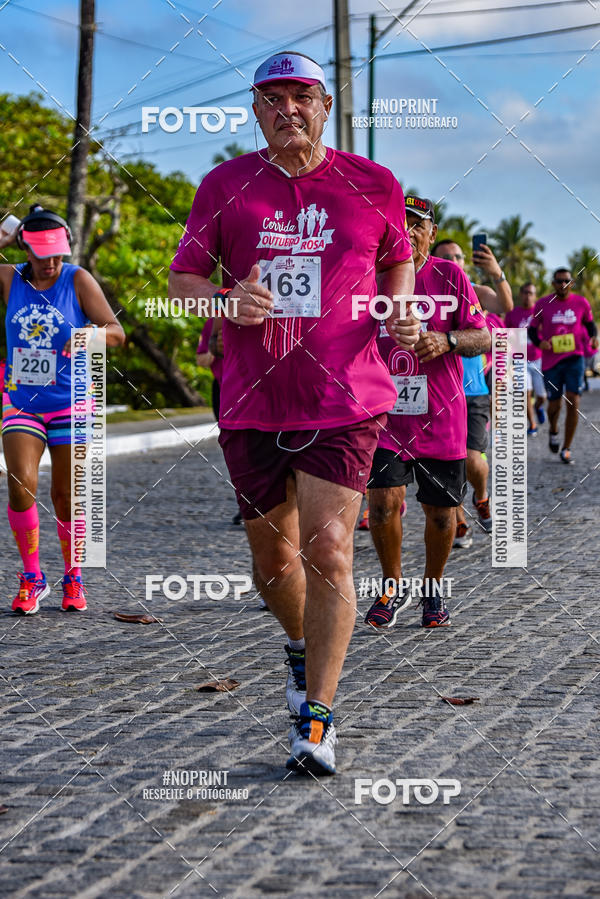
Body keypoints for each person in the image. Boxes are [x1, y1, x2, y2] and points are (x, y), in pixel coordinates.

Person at [169, 51, 417, 775]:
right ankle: (303, 644)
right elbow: (184, 280)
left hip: (346, 396)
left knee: (329, 550)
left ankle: (317, 717)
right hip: (251, 400)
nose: (287, 110)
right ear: (254, 110)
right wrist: (224, 301)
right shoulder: (225, 185)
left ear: (326, 104)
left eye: (300, 96)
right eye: (271, 99)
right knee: (273, 562)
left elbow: (398, 254)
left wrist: (399, 301)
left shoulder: (373, 183)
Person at [364, 196, 490, 629]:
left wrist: (448, 341)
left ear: (431, 234)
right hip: (384, 415)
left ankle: (433, 589)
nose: (408, 232)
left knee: (440, 513)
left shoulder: (449, 275)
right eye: (400, 224)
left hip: (442, 415)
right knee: (381, 506)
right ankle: (391, 586)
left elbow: (482, 337)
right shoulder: (369, 278)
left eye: (417, 225)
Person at [0, 204, 125, 614]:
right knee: (21, 484)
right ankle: (33, 577)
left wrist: (92, 334)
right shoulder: (9, 277)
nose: (52, 263)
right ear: (25, 249)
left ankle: (74, 574)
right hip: (21, 399)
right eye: (42, 255)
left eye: (58, 254)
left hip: (72, 401)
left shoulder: (78, 279)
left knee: (67, 496)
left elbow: (117, 332)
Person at [432, 238, 512, 548]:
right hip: (437, 392)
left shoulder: (474, 291)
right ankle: (458, 519)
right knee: (442, 462)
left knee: (471, 458)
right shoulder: (424, 289)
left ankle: (480, 497)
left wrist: (497, 273)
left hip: (473, 390)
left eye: (458, 257)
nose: (454, 262)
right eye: (446, 257)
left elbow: (505, 306)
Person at [528, 268, 598, 464]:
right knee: (554, 405)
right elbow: (533, 330)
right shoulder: (543, 304)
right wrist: (539, 342)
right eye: (559, 281)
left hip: (574, 358)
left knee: (573, 400)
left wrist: (593, 338)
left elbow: (590, 325)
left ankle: (566, 448)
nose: (562, 284)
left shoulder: (581, 303)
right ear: (553, 283)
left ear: (571, 283)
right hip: (551, 361)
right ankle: (553, 429)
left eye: (566, 281)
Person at [505, 282, 546, 435]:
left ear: (535, 296)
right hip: (520, 359)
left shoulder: (540, 313)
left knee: (542, 396)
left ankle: (539, 406)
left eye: (531, 293)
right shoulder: (512, 314)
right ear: (521, 294)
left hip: (539, 359)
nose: (528, 296)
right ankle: (532, 424)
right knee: (525, 392)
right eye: (525, 293)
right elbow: (507, 337)